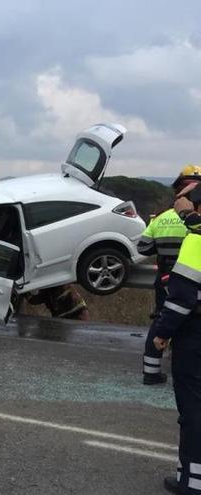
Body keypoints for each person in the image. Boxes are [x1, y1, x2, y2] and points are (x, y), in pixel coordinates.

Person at [151, 186, 201, 494]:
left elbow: (182, 299)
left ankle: (193, 480)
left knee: (194, 407)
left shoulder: (196, 242)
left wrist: (162, 333)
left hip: (195, 335)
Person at [136, 166, 199, 385]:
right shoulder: (196, 221)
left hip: (165, 280)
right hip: (194, 284)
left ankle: (151, 372)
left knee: (162, 322)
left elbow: (142, 248)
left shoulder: (161, 218)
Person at [24, 284, 90, 321]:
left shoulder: (55, 287)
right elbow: (34, 300)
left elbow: (35, 300)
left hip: (75, 314)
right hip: (66, 317)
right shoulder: (50, 290)